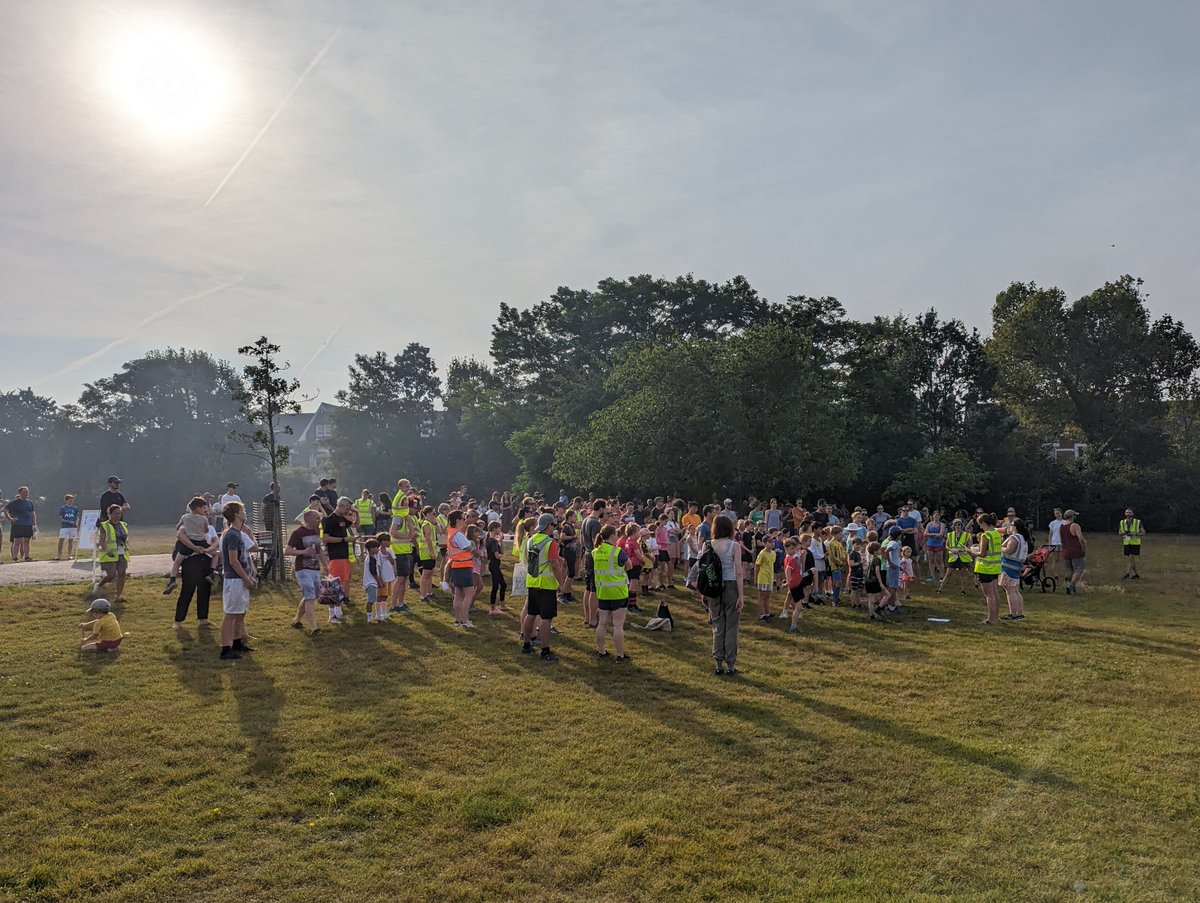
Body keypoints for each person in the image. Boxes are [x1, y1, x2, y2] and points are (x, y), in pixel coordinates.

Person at [521, 513, 565, 661]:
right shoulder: (550, 542)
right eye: (553, 525)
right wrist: (561, 583)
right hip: (546, 585)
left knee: (531, 614)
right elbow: (554, 564)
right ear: (548, 525)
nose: (555, 527)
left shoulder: (530, 540)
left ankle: (526, 644)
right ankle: (545, 651)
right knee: (546, 618)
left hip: (532, 582)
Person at [218, 501, 258, 660]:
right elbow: (233, 560)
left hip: (241, 579)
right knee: (230, 614)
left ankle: (237, 643)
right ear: (235, 514)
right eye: (242, 510)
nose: (244, 513)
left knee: (240, 613)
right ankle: (225, 649)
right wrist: (245, 578)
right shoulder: (232, 534)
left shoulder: (238, 533)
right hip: (234, 580)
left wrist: (250, 576)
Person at [707, 514, 745, 674]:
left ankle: (718, 663)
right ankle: (731, 664)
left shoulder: (708, 544)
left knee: (718, 625)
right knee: (731, 626)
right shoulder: (734, 546)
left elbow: (705, 569)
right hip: (730, 585)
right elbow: (739, 572)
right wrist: (741, 595)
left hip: (714, 586)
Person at [173, 498, 217, 629]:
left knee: (205, 590)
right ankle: (178, 621)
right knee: (187, 590)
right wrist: (195, 548)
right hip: (191, 560)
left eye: (207, 508)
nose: (207, 510)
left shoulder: (209, 526)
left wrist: (209, 549)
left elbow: (215, 541)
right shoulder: (186, 523)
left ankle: (203, 618)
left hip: (206, 558)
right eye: (205, 507)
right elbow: (181, 536)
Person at [591, 524, 631, 662]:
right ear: (612, 535)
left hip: (603, 591)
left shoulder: (596, 551)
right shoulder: (617, 551)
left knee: (602, 623)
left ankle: (601, 651)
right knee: (618, 625)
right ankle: (620, 655)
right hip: (618, 591)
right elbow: (629, 565)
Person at [164, 497, 216, 596]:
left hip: (189, 542)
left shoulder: (185, 517)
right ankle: (211, 573)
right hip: (201, 542)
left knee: (177, 561)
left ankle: (172, 580)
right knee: (215, 555)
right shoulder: (203, 519)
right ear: (198, 508)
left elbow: (178, 527)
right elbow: (206, 530)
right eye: (204, 508)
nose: (205, 510)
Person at [285, 509, 323, 635]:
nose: (319, 520)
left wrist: (325, 565)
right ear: (307, 519)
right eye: (316, 518)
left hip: (315, 568)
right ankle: (314, 628)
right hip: (303, 569)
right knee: (310, 597)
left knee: (311, 596)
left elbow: (319, 550)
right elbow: (288, 550)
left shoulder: (316, 531)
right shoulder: (298, 532)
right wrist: (303, 552)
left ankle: (296, 620)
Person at [322, 497, 355, 614]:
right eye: (347, 507)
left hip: (343, 555)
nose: (349, 509)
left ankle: (338, 611)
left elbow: (355, 525)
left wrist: (356, 513)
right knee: (335, 584)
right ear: (341, 505)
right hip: (335, 555)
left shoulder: (341, 518)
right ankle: (333, 614)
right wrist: (345, 539)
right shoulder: (330, 519)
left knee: (342, 582)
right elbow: (325, 538)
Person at [446, 510, 477, 629]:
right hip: (463, 566)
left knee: (458, 594)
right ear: (458, 520)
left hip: (456, 566)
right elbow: (468, 547)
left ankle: (458, 620)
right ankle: (465, 620)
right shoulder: (457, 534)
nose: (464, 521)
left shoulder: (451, 532)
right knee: (469, 593)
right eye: (463, 518)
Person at [388, 496, 418, 612]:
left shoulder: (407, 518)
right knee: (400, 578)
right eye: (409, 505)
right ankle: (394, 605)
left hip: (406, 550)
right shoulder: (398, 517)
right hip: (399, 551)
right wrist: (408, 536)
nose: (414, 508)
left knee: (404, 578)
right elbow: (392, 532)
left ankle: (401, 603)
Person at [95, 505, 130, 602]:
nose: (118, 515)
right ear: (110, 514)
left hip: (122, 552)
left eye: (119, 513)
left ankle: (119, 595)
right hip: (109, 554)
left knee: (122, 574)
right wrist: (107, 550)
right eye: (116, 514)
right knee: (111, 575)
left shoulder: (123, 524)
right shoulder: (104, 525)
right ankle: (99, 585)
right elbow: (102, 541)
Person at [973, 513, 1003, 625]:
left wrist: (971, 552)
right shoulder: (996, 534)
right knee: (995, 593)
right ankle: (996, 616)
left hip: (985, 567)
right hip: (995, 567)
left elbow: (982, 553)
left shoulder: (985, 536)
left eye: (980, 524)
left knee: (989, 595)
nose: (980, 527)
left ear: (984, 523)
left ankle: (990, 619)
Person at [580, 499, 605, 630]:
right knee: (594, 589)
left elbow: (582, 539)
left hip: (587, 553)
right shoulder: (595, 523)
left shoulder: (585, 520)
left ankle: (587, 617)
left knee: (588, 588)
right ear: (600, 509)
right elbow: (597, 542)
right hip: (594, 555)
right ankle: (593, 620)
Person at [999, 518, 1031, 621]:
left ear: (1015, 527)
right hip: (1017, 566)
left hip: (1009, 566)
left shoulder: (1014, 538)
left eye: (1012, 525)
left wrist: (1000, 548)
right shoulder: (1023, 538)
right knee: (1015, 590)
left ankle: (1013, 614)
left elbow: (1009, 550)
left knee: (1010, 590)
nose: (1010, 527)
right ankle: (1019, 613)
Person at [939, 519, 973, 595]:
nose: (957, 526)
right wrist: (951, 550)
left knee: (962, 574)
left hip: (963, 557)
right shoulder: (950, 534)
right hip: (953, 556)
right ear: (953, 526)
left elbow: (970, 546)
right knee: (948, 573)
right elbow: (947, 545)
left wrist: (961, 550)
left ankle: (963, 590)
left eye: (959, 524)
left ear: (961, 525)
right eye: (956, 525)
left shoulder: (967, 535)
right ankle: (940, 589)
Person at [4, 486, 37, 562]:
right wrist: (10, 519)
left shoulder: (30, 502)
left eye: (27, 492)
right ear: (20, 493)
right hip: (18, 524)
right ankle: (15, 557)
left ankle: (27, 557)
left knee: (26, 541)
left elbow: (32, 513)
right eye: (24, 492)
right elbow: (5, 510)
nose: (26, 494)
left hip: (28, 524)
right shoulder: (15, 502)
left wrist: (34, 524)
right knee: (17, 541)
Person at [1060, 509, 1087, 595]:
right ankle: (1072, 585)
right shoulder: (1075, 526)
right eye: (1075, 515)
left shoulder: (1062, 526)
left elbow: (1061, 539)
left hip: (1066, 551)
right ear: (1072, 516)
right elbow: (1081, 539)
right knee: (1079, 569)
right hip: (1075, 551)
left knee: (1069, 570)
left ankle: (1068, 586)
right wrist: (1084, 548)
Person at [363, 538, 388, 623]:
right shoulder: (371, 559)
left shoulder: (371, 558)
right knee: (370, 601)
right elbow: (374, 572)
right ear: (371, 549)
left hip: (371, 582)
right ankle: (369, 618)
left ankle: (375, 616)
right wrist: (379, 582)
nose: (378, 549)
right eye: (376, 548)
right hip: (370, 583)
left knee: (372, 600)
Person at [485, 521, 507, 615]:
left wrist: (501, 541)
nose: (500, 530)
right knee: (495, 586)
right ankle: (492, 608)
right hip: (494, 565)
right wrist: (499, 556)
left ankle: (502, 605)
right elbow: (497, 555)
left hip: (495, 565)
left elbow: (502, 551)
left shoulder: (494, 540)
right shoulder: (492, 541)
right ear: (494, 529)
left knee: (503, 585)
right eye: (499, 528)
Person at [1119, 508, 1145, 579]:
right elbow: (1120, 532)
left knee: (1131, 558)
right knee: (1131, 560)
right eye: (1127, 513)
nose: (1128, 514)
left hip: (1135, 543)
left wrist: (1134, 534)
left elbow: (1143, 532)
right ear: (1125, 514)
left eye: (1129, 513)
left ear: (1132, 514)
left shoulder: (1138, 522)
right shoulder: (1122, 522)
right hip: (1127, 542)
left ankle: (1127, 574)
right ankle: (1136, 574)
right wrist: (1124, 533)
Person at [55, 494, 82, 560]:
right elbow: (60, 518)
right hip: (65, 527)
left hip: (73, 527)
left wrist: (77, 523)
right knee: (61, 539)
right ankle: (59, 555)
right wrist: (68, 521)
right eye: (70, 500)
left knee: (71, 540)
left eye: (72, 500)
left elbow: (77, 516)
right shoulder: (63, 508)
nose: (71, 502)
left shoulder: (75, 508)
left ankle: (69, 555)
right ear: (66, 500)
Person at [754, 539, 776, 621]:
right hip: (763, 577)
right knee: (762, 596)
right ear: (764, 543)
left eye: (772, 542)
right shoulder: (762, 553)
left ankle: (767, 612)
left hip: (770, 577)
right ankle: (761, 614)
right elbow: (757, 566)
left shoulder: (773, 553)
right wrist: (756, 578)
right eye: (769, 542)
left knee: (767, 596)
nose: (771, 544)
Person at [923, 511, 946, 583]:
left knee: (940, 561)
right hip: (930, 544)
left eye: (938, 515)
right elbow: (925, 534)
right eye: (935, 515)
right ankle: (932, 576)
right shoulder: (929, 524)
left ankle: (942, 577)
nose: (936, 516)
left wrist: (931, 535)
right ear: (932, 516)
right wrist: (935, 534)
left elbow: (941, 534)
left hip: (939, 544)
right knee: (931, 560)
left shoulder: (941, 524)